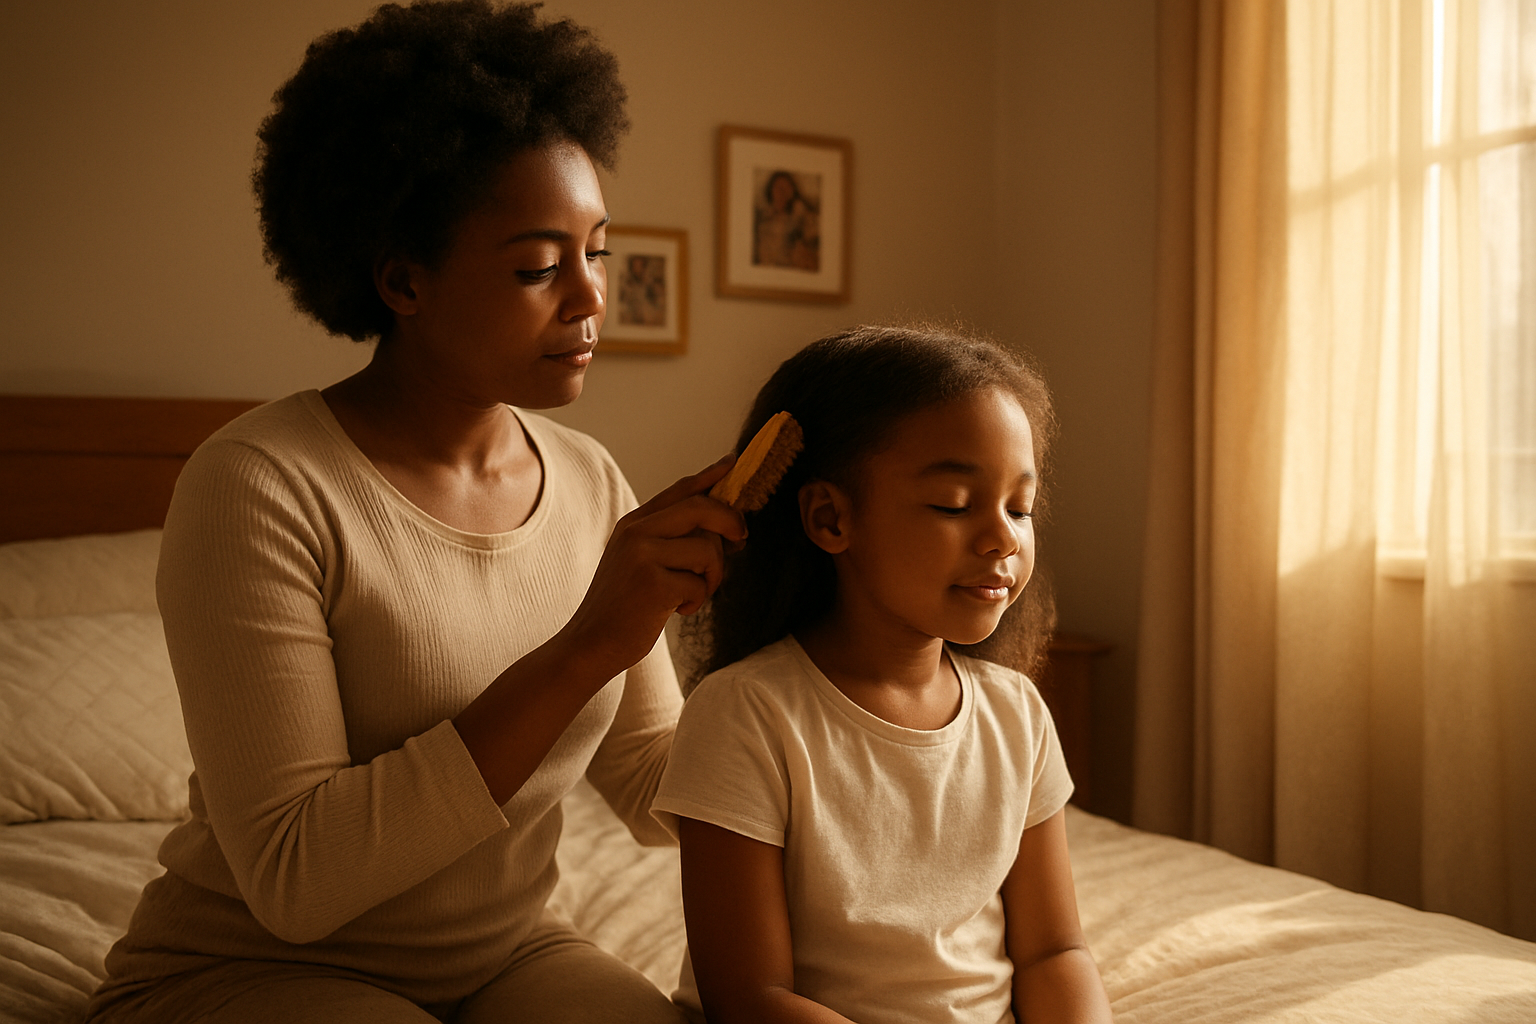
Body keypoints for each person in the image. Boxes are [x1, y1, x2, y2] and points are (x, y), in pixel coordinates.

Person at [84, 3, 742, 1023]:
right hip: (248, 966)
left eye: (599, 252)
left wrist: (828, 652)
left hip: (504, 952)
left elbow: (657, 791)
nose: (589, 298)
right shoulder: (260, 484)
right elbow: (297, 877)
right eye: (537, 267)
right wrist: (584, 648)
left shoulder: (590, 481)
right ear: (403, 279)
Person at [653, 325, 1114, 1024]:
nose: (1003, 538)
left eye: (1019, 508)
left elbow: (1054, 950)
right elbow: (750, 999)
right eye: (954, 504)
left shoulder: (1016, 713)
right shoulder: (746, 714)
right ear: (830, 518)